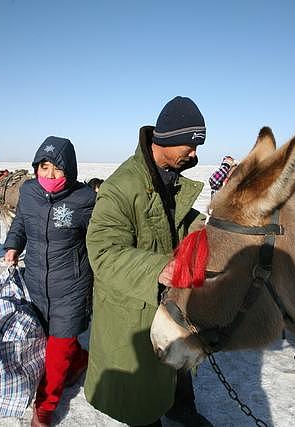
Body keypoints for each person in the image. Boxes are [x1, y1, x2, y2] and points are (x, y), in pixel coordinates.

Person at [83, 96, 211, 426]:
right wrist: (159, 269)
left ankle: (182, 409)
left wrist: (204, 228)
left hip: (171, 302)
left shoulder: (169, 174)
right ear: (167, 139)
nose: (195, 154)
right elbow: (103, 251)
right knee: (142, 396)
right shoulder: (121, 187)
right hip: (133, 307)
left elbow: (173, 222)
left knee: (178, 363)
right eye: (191, 145)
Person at [3, 136, 96, 427]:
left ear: (70, 169)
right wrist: (13, 244)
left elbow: (101, 238)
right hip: (35, 282)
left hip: (72, 285)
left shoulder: (85, 199)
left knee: (57, 349)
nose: (50, 175)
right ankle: (80, 360)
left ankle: (45, 406)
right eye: (44, 167)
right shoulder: (29, 192)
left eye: (57, 168)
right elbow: (20, 222)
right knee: (48, 340)